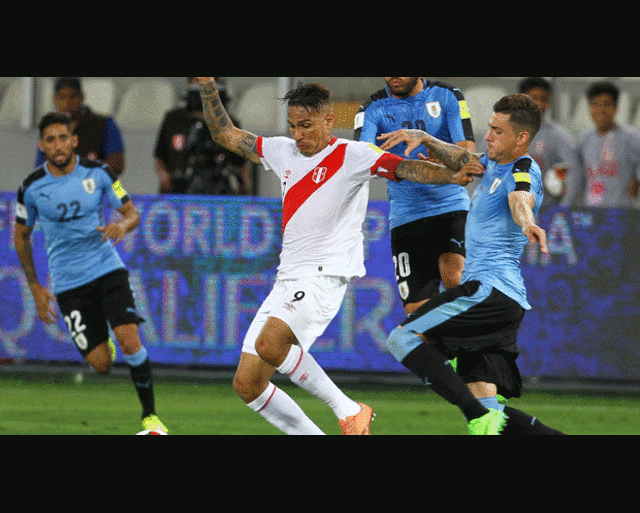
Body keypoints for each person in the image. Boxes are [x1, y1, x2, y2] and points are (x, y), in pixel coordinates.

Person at [195, 76, 482, 435]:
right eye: (293, 126)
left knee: (270, 344)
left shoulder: (353, 155)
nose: (298, 135)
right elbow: (226, 135)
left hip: (324, 275)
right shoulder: (282, 150)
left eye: (306, 126)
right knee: (247, 384)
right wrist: (208, 85)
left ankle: (348, 409)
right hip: (288, 278)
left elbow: (405, 169)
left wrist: (449, 176)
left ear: (329, 121)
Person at [379, 94, 565, 434]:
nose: (488, 136)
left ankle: (475, 413)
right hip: (503, 301)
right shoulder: (494, 163)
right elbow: (463, 158)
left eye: (496, 130)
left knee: (402, 339)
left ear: (521, 138)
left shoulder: (523, 167)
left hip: (489, 292)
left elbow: (519, 197)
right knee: (491, 418)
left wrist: (527, 222)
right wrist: (426, 139)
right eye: (489, 128)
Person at [15, 112, 167, 433]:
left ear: (74, 140)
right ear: (42, 145)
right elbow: (21, 235)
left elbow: (131, 213)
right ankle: (103, 345)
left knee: (129, 339)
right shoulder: (31, 188)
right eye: (50, 140)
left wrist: (121, 226)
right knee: (101, 365)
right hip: (69, 284)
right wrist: (35, 286)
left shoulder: (99, 173)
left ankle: (151, 419)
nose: (58, 145)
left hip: (107, 268)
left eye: (63, 138)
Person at [355, 77, 475, 314]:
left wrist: (441, 152)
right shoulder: (372, 109)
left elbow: (468, 154)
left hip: (450, 206)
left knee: (455, 278)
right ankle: (449, 352)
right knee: (419, 315)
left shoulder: (448, 95)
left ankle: (474, 349)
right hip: (406, 215)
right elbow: (361, 160)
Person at [154, 77, 252, 195]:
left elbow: (240, 164)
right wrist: (165, 178)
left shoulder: (229, 123)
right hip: (180, 191)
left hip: (219, 191)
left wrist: (243, 186)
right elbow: (160, 157)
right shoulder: (173, 119)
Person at [566, 80, 640, 208]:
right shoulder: (584, 140)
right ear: (590, 108)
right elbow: (576, 177)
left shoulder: (631, 138)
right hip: (593, 211)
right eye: (595, 104)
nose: (601, 110)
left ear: (616, 107)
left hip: (624, 212)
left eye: (606, 104)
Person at [35, 77, 126, 177]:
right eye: (62, 97)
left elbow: (117, 165)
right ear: (55, 100)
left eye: (73, 97)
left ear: (82, 97)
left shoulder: (104, 124)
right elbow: (40, 168)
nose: (67, 103)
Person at [518, 77, 580, 210]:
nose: (539, 104)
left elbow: (575, 171)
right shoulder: (505, 130)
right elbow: (485, 167)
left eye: (544, 99)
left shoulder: (558, 135)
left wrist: (564, 207)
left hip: (544, 210)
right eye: (534, 98)